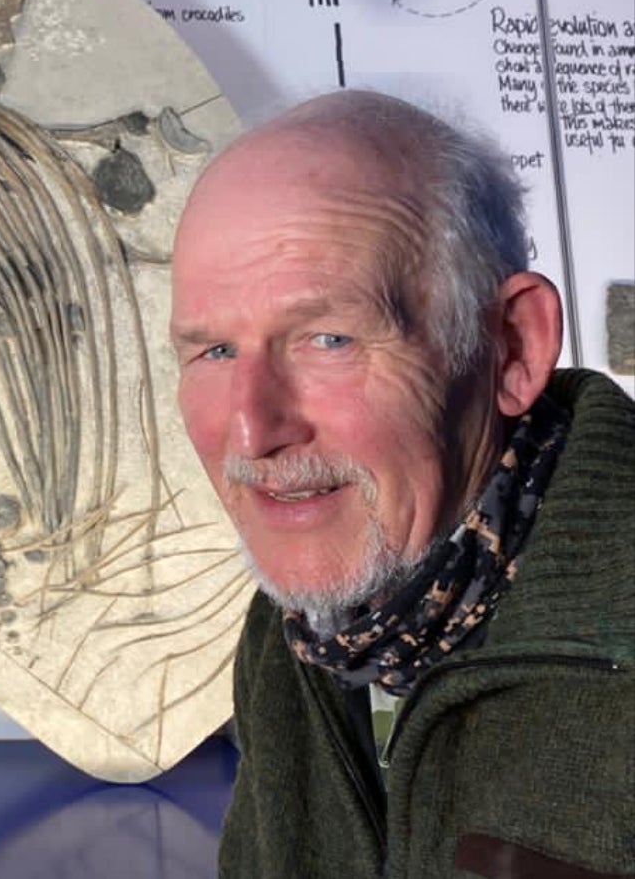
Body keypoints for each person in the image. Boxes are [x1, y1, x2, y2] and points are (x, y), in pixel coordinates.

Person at [167, 90, 634, 878]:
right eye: (213, 351)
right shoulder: (297, 630)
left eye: (328, 338)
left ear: (512, 346)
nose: (251, 431)